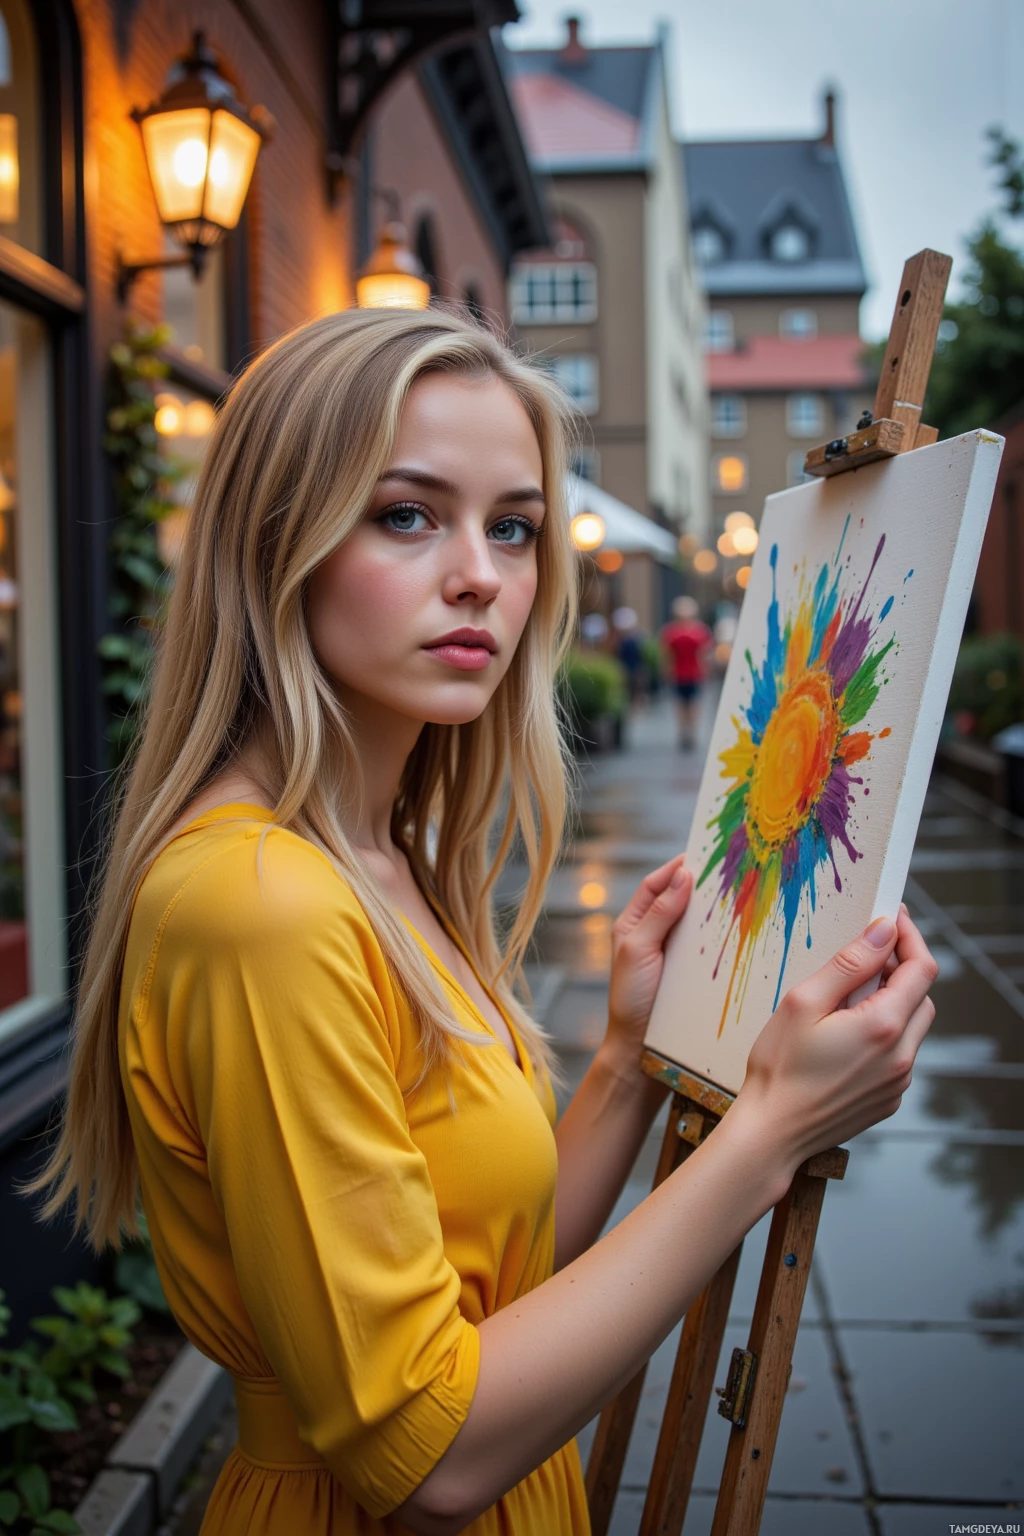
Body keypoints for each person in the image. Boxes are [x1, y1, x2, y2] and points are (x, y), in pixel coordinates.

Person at [36, 308, 937, 1536]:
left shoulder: (380, 858)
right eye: (406, 513)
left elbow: (495, 1285)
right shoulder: (260, 904)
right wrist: (769, 1131)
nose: (481, 573)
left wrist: (624, 1058)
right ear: (272, 542)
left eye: (511, 527)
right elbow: (428, 1459)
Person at [660, 595, 712, 751]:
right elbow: (667, 654)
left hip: (691, 674)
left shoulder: (692, 631)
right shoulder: (678, 632)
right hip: (681, 674)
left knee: (690, 705)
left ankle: (689, 732)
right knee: (684, 705)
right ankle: (686, 732)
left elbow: (703, 654)